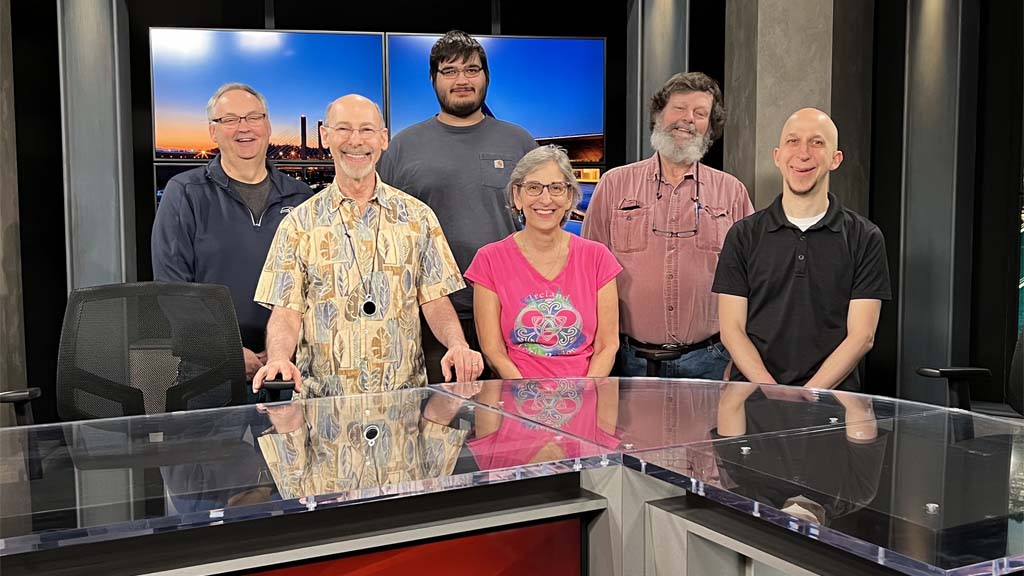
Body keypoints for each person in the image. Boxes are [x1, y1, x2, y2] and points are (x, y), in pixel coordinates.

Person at [251, 94, 483, 398]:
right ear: (326, 136)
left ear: (383, 139)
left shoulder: (418, 218)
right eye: (344, 129)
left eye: (367, 130)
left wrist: (457, 345)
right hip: (324, 411)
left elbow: (435, 299)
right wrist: (280, 357)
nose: (356, 141)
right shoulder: (298, 224)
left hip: (402, 408)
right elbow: (286, 311)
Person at [378, 30, 537, 384]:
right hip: (429, 318)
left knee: (512, 429)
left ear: (486, 77)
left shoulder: (520, 141)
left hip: (511, 315)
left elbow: (546, 224)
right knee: (438, 429)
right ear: (433, 79)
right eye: (449, 71)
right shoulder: (401, 148)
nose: (461, 80)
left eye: (472, 69)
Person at [582, 72, 753, 379]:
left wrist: (738, 363)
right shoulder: (613, 184)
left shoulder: (733, 192)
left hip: (711, 363)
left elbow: (752, 281)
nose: (687, 120)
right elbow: (587, 274)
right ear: (658, 114)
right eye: (679, 108)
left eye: (700, 114)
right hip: (628, 363)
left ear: (710, 128)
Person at [713, 108, 891, 391]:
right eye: (793, 141)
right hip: (754, 399)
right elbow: (732, 331)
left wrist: (808, 395)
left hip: (831, 402)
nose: (803, 153)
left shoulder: (865, 237)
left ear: (836, 159)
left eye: (817, 142)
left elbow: (862, 336)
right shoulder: (743, 235)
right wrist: (771, 391)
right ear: (777, 156)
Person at [152, 83, 313, 380]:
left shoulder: (301, 197)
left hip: (287, 368)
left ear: (267, 125)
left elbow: (315, 285)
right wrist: (226, 351)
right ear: (213, 131)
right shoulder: (185, 193)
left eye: (254, 117)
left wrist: (281, 349)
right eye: (230, 120)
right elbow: (172, 289)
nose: (245, 128)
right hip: (208, 369)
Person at [465, 145, 622, 379]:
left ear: (569, 197)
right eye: (534, 188)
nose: (545, 199)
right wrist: (527, 397)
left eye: (556, 188)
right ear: (517, 196)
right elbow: (494, 351)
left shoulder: (598, 258)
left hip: (586, 397)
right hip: (515, 397)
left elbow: (607, 346)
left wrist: (583, 396)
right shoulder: (489, 260)